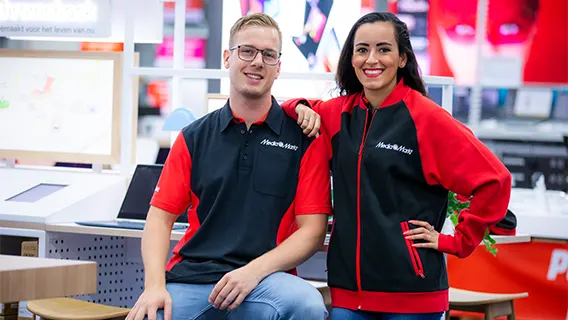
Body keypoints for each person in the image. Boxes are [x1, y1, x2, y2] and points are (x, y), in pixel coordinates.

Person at [281, 12, 512, 319]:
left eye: (383, 49)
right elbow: (288, 111)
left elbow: (494, 179)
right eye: (362, 49)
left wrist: (456, 241)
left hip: (412, 297)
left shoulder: (427, 119)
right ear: (351, 58)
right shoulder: (340, 114)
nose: (371, 59)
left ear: (402, 59)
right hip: (348, 296)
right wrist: (296, 106)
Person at [127, 13, 332, 320]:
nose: (257, 62)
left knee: (307, 305)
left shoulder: (304, 139)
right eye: (247, 51)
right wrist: (154, 285)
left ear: (279, 67)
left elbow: (312, 233)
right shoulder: (193, 137)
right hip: (194, 279)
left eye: (268, 55)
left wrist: (251, 273)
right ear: (227, 57)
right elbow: (159, 218)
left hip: (267, 280)